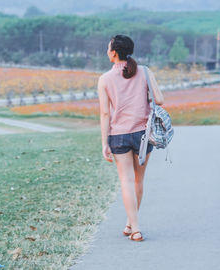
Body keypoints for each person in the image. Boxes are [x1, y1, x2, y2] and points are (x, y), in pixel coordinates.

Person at [98, 35, 164, 242]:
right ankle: (130, 224)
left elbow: (105, 114)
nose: (107, 51)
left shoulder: (105, 79)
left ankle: (135, 227)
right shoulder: (144, 71)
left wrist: (104, 143)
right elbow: (160, 100)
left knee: (126, 181)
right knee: (138, 180)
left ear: (114, 52)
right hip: (143, 134)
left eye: (108, 48)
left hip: (118, 135)